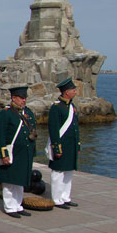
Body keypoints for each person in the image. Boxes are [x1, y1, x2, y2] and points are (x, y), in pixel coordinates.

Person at [0, 86, 36, 218]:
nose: (24, 100)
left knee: (20, 180)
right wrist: (3, 154)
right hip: (12, 152)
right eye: (21, 98)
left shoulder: (28, 113)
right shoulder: (6, 114)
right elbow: (0, 135)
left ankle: (18, 205)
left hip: (24, 153)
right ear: (14, 98)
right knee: (10, 180)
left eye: (25, 98)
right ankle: (10, 207)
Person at [48, 77, 80, 209]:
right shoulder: (56, 108)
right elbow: (54, 129)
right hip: (61, 145)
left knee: (68, 172)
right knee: (58, 173)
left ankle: (66, 197)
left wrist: (77, 144)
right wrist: (56, 148)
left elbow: (75, 128)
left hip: (70, 145)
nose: (75, 92)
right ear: (66, 92)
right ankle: (57, 199)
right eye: (73, 90)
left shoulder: (71, 106)